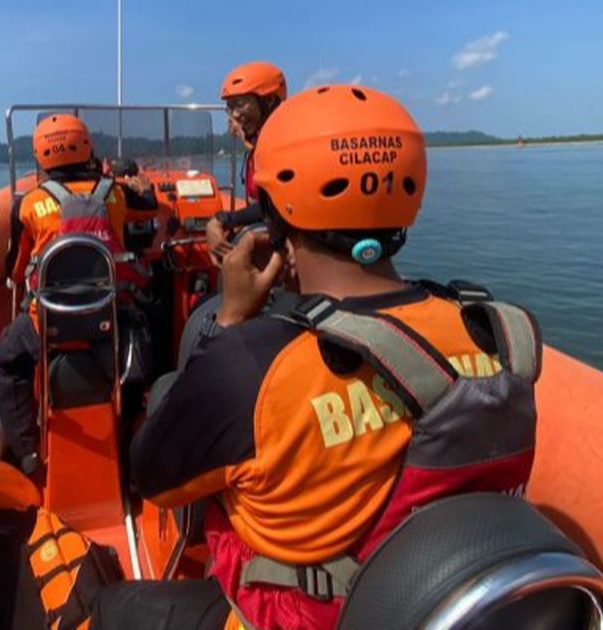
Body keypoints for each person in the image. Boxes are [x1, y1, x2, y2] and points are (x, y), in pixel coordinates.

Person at [93, 86, 541, 630]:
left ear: (275, 213)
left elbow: (151, 478)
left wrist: (230, 321)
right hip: (432, 604)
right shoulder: (500, 335)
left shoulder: (252, 364)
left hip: (299, 617)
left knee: (113, 608)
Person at [0, 113, 153, 475]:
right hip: (109, 318)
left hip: (48, 324)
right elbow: (146, 205)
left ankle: (29, 454)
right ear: (88, 147)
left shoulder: (29, 205)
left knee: (6, 363)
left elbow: (17, 270)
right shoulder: (115, 194)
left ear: (40, 155)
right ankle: (129, 425)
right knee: (141, 340)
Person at [205, 61, 287, 264]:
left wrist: (223, 219)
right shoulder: (264, 143)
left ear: (268, 101)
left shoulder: (284, 145)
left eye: (240, 104)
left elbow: (276, 205)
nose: (234, 114)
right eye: (230, 107)